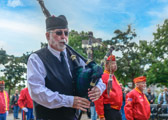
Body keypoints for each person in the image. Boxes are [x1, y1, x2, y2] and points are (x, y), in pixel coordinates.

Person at [27, 14, 106, 120]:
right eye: (58, 33)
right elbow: (36, 91)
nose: (63, 36)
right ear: (47, 36)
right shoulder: (37, 58)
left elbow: (94, 75)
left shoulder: (75, 57)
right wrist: (69, 101)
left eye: (66, 33)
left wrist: (98, 88)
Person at [94, 55, 123, 120]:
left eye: (115, 63)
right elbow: (98, 97)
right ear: (106, 65)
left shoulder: (112, 76)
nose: (115, 65)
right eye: (112, 63)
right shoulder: (103, 77)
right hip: (109, 111)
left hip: (116, 111)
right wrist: (101, 115)